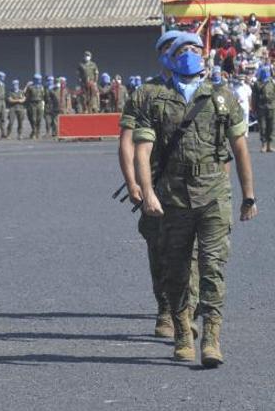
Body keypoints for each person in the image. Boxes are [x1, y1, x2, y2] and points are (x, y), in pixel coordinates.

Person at [134, 32, 258, 367]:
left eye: (194, 48)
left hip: (214, 193)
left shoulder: (221, 96)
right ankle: (183, 333)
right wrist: (147, 193)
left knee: (212, 267)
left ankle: (213, 337)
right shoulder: (155, 99)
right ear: (171, 59)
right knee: (176, 269)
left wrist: (249, 195)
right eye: (182, 50)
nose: (189, 53)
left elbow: (240, 148)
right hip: (172, 196)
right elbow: (142, 151)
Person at [118, 29, 196, 338]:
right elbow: (126, 142)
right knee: (160, 249)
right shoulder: (144, 93)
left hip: (194, 185)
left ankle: (186, 310)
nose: (179, 54)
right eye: (173, 49)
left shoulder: (198, 89)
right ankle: (166, 308)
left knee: (193, 252)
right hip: (156, 184)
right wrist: (133, 182)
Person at [252, 66, 275, 152]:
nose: (266, 73)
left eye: (267, 71)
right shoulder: (257, 84)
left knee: (271, 127)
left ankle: (270, 145)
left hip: (272, 107)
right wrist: (253, 107)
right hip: (261, 107)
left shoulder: (272, 82)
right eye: (264, 71)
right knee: (263, 127)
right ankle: (264, 145)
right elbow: (253, 96)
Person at [25, 74, 45, 139]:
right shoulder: (30, 87)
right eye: (38, 79)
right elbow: (26, 95)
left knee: (39, 118)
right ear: (35, 80)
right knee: (33, 119)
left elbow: (43, 96)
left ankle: (38, 132)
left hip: (39, 103)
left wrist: (43, 103)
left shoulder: (41, 87)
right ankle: (34, 131)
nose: (40, 80)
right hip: (32, 104)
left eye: (40, 79)